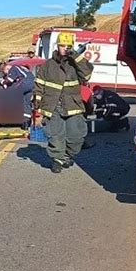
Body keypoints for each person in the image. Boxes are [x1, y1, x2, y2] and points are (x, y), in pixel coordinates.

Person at [33, 32, 94, 173]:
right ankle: (57, 159)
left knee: (76, 137)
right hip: (52, 106)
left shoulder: (76, 63)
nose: (65, 48)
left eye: (68, 46)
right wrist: (37, 104)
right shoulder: (48, 65)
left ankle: (66, 156)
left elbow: (87, 74)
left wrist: (76, 56)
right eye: (62, 46)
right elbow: (39, 84)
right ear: (57, 46)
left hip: (72, 105)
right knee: (55, 136)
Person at [0, 63, 35, 129]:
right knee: (26, 103)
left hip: (25, 82)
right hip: (32, 84)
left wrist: (2, 81)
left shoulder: (13, 68)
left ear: (6, 68)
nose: (6, 74)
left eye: (5, 73)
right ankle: (26, 123)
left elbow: (10, 80)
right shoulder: (21, 68)